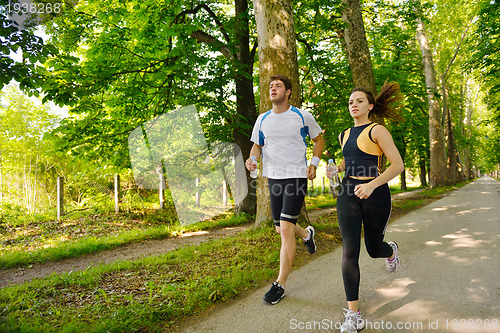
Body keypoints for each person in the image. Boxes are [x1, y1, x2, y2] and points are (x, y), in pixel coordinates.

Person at [327, 81, 405, 333]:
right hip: (348, 193)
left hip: (376, 195)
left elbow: (397, 166)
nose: (353, 105)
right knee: (350, 249)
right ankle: (353, 314)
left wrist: (371, 185)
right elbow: (350, 160)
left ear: (370, 106)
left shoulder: (378, 130)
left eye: (359, 101)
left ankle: (389, 251)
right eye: (350, 101)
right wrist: (336, 169)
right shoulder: (344, 134)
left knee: (373, 249)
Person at [245, 74, 324, 305]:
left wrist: (314, 164)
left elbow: (318, 140)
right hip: (274, 178)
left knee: (286, 230)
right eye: (271, 86)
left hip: (296, 177)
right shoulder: (262, 119)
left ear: (288, 92)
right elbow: (257, 145)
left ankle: (280, 284)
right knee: (281, 229)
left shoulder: (302, 115)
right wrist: (252, 160)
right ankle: (308, 234)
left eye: (278, 86)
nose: (273, 89)